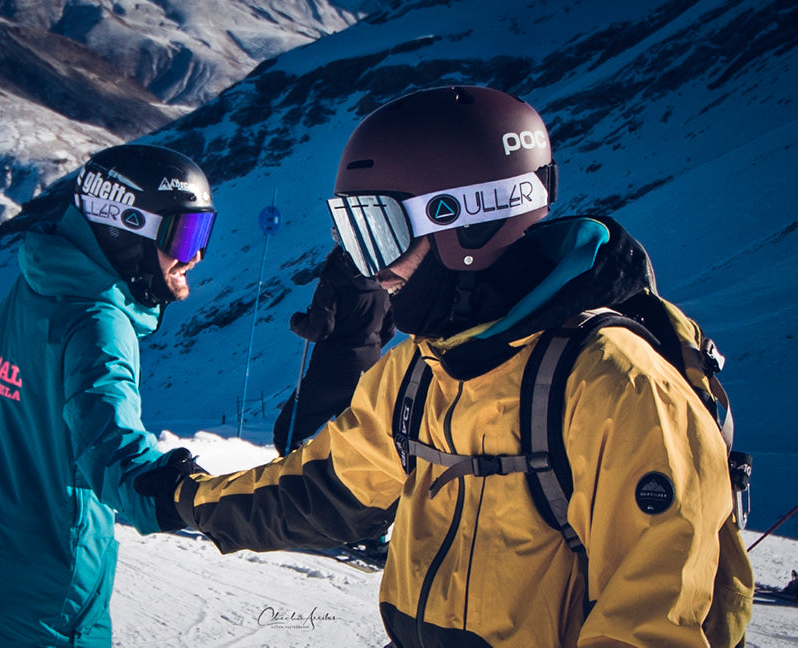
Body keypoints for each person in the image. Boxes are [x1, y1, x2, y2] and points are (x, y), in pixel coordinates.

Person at [140, 86, 748, 646]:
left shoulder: (616, 387)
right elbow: (319, 490)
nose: (371, 270)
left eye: (378, 234)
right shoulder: (418, 372)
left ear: (468, 221)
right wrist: (186, 499)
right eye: (354, 238)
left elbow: (654, 624)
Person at [0, 144, 213, 647]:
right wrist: (198, 497)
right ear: (126, 224)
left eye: (203, 233)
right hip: (29, 618)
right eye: (187, 234)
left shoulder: (42, 279)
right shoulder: (98, 324)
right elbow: (118, 457)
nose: (197, 256)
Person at [272, 245, 394, 456]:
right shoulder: (384, 277)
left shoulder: (335, 276)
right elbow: (389, 329)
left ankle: (300, 482)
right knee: (357, 437)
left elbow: (319, 330)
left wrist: (297, 322)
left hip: (330, 371)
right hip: (368, 371)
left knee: (286, 433)